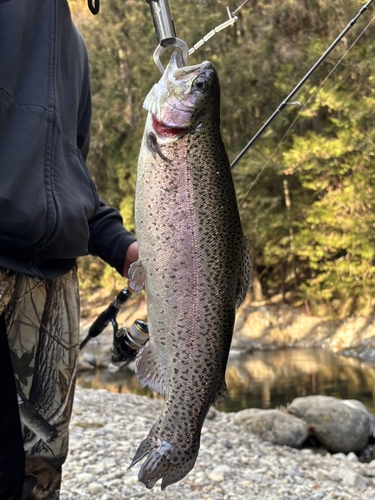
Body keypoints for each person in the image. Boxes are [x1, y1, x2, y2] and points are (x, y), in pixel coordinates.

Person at [0, 0, 139, 498]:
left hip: (56, 289)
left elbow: (68, 180)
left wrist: (124, 248)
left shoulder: (74, 47)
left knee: (39, 475)